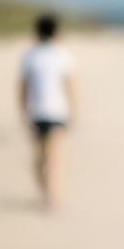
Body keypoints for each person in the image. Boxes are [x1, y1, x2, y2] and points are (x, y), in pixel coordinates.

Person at [18, 12, 76, 210]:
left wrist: (22, 110)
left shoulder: (30, 55)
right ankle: (51, 196)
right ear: (56, 32)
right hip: (57, 112)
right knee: (53, 157)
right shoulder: (63, 55)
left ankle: (46, 191)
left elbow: (22, 87)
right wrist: (73, 112)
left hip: (36, 112)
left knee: (40, 156)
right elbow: (70, 86)